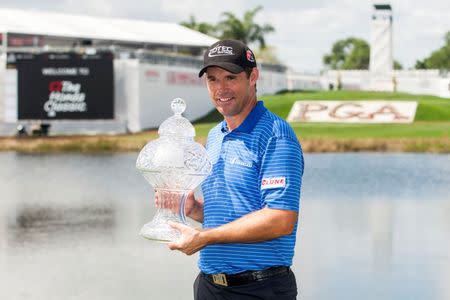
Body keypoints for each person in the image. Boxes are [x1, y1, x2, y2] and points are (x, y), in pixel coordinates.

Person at [167, 39, 304, 300]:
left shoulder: (276, 134)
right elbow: (236, 214)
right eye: (212, 79)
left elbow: (281, 219)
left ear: (253, 76)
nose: (221, 89)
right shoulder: (215, 136)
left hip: (259, 289)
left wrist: (205, 236)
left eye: (231, 77)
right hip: (209, 286)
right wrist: (194, 209)